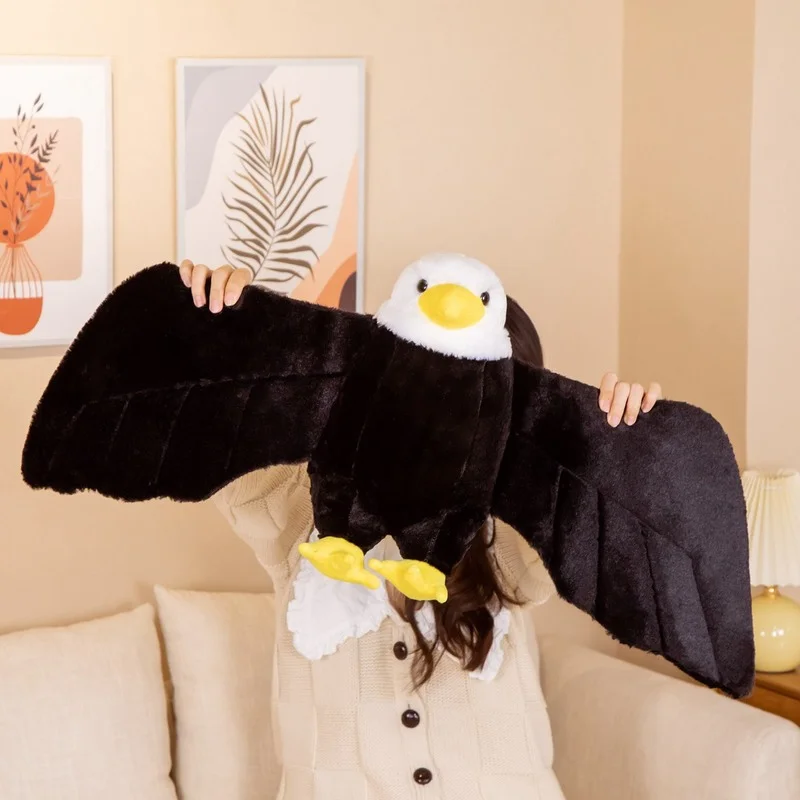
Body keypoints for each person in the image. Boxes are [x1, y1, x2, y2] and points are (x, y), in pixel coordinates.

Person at [178, 259, 662, 800]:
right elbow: (214, 438)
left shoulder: (513, 536)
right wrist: (218, 331)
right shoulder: (301, 506)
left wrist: (621, 448)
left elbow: (602, 535)